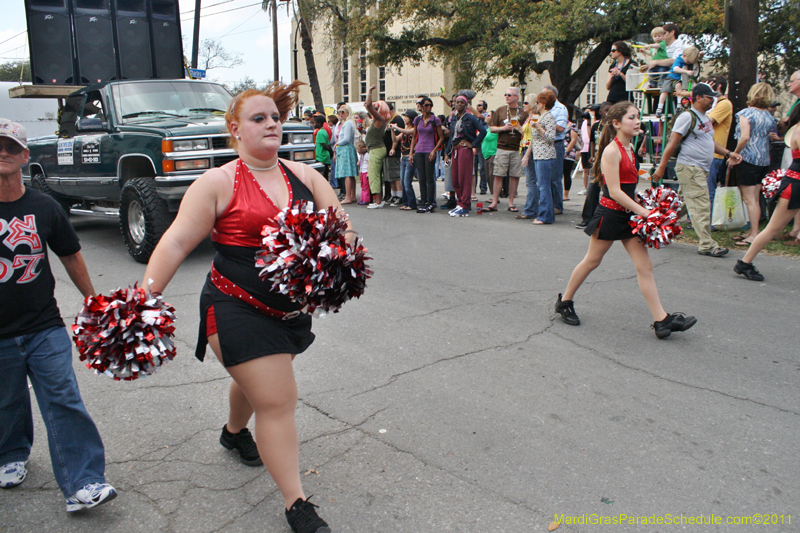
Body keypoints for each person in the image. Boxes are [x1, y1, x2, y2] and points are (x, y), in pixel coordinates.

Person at [141, 83, 342, 533]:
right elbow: (174, 241)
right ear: (235, 129)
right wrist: (144, 298)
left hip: (289, 311)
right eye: (259, 118)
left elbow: (342, 232)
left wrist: (332, 266)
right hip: (234, 305)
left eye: (275, 117)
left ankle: (233, 434)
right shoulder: (216, 182)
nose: (272, 123)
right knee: (276, 398)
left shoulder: (307, 177)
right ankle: (297, 504)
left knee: (258, 384)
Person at [0, 119, 117, 510]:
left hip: (43, 325)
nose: (3, 153)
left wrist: (92, 302)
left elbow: (69, 254)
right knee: (7, 400)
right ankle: (10, 454)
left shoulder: (43, 205)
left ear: (25, 156)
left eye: (11, 147)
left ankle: (83, 482)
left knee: (63, 398)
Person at [554, 103, 697, 339]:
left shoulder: (630, 148)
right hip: (610, 215)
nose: (637, 121)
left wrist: (646, 204)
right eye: (632, 117)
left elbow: (629, 188)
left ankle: (661, 320)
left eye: (638, 116)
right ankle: (565, 301)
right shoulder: (612, 150)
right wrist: (645, 213)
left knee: (645, 266)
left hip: (629, 215)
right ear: (617, 123)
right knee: (591, 261)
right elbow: (615, 192)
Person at [652, 83, 742, 257]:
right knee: (701, 205)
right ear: (698, 97)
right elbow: (672, 142)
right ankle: (707, 244)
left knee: (685, 204)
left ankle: (658, 226)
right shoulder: (687, 117)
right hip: (690, 167)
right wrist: (662, 167)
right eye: (709, 97)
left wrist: (728, 153)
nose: (712, 100)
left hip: (699, 169)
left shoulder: (705, 118)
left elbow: (710, 142)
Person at [735, 105, 800, 280]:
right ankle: (745, 263)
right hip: (795, 185)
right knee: (773, 230)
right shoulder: (799, 130)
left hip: (795, 183)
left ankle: (745, 262)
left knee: (773, 229)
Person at [730, 82, 778, 246]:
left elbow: (744, 137)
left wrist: (735, 154)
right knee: (755, 198)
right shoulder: (768, 116)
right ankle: (753, 231)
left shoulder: (746, 113)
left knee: (749, 199)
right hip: (764, 159)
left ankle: (754, 234)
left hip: (749, 158)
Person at [444, 95, 487, 216]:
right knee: (455, 179)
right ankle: (460, 202)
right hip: (455, 149)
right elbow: (451, 137)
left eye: (462, 102)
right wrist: (446, 153)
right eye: (457, 102)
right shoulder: (453, 118)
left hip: (464, 149)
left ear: (466, 104)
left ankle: (465, 205)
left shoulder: (470, 118)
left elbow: (483, 131)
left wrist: (473, 144)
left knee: (464, 178)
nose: (459, 104)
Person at [486, 87, 527, 212]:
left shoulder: (523, 113)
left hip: (517, 148)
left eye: (509, 95)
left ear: (516, 97)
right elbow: (492, 128)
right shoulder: (500, 110)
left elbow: (527, 131)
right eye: (506, 94)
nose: (507, 97)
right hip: (502, 147)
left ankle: (511, 202)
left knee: (515, 176)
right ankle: (494, 202)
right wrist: (503, 128)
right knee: (498, 174)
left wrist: (519, 128)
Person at [577, 102, 611, 229]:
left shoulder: (613, 126)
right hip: (597, 161)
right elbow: (592, 141)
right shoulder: (597, 125)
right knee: (592, 189)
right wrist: (592, 155)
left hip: (608, 161)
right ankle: (588, 217)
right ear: (601, 112)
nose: (608, 112)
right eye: (606, 110)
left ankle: (606, 217)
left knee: (608, 190)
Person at [526, 91, 558, 224]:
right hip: (539, 154)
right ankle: (546, 214)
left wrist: (539, 128)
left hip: (545, 155)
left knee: (543, 186)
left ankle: (544, 215)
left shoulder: (548, 117)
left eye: (538, 102)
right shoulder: (540, 116)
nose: (536, 104)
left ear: (543, 104)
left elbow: (551, 138)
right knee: (542, 186)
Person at [704, 75, 733, 223]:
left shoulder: (724, 104)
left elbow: (706, 121)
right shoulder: (714, 104)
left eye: (710, 84)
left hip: (715, 153)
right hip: (703, 152)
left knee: (710, 190)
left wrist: (707, 96)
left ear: (719, 86)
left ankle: (713, 220)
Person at [409, 96, 444, 213]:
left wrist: (434, 150)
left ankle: (430, 202)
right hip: (419, 150)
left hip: (429, 150)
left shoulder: (435, 120)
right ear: (422, 107)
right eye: (426, 105)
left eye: (430, 105)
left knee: (429, 177)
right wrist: (411, 153)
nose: (428, 107)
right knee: (421, 178)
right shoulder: (417, 120)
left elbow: (441, 137)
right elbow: (414, 137)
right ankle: (423, 201)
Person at [364, 85, 390, 209]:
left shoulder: (379, 119)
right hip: (376, 149)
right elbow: (367, 105)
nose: (372, 109)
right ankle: (379, 199)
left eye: (376, 108)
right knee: (375, 175)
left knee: (374, 175)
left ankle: (378, 201)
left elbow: (368, 105)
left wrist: (369, 92)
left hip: (376, 149)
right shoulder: (377, 120)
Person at [545, 85, 569, 214]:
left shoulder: (561, 108)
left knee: (555, 177)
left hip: (555, 143)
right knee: (544, 177)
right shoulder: (542, 108)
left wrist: (544, 123)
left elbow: (561, 128)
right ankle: (546, 203)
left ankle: (557, 206)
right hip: (543, 143)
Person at [655, 46, 699, 117]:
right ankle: (659, 107)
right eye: (688, 61)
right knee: (665, 91)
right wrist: (686, 72)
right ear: (684, 56)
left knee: (679, 87)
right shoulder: (678, 60)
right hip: (671, 77)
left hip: (678, 80)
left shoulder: (687, 58)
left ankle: (679, 105)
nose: (688, 63)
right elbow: (675, 69)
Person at [518, 97, 539, 220]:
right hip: (525, 147)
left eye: (526, 103)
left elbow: (533, 138)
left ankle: (530, 210)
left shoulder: (534, 117)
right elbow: (526, 134)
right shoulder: (529, 117)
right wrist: (518, 128)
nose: (523, 105)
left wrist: (526, 155)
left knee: (531, 181)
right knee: (531, 181)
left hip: (529, 150)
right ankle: (532, 208)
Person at [393, 109, 418, 210]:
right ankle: (406, 203)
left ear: (411, 119)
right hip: (403, 157)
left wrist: (396, 127)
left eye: (406, 117)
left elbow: (407, 132)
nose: (404, 118)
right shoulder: (404, 129)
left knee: (407, 182)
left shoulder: (413, 129)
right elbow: (395, 139)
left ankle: (412, 204)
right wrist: (392, 130)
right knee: (403, 182)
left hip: (410, 157)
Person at [335, 105, 358, 204]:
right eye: (339, 112)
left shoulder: (348, 123)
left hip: (345, 149)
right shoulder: (348, 123)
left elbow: (347, 138)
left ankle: (348, 196)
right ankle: (352, 196)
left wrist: (337, 144)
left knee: (347, 173)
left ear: (348, 113)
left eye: (343, 112)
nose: (340, 114)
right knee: (350, 173)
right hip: (348, 148)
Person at [383, 102, 405, 205]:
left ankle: (399, 195)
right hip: (386, 151)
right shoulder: (388, 120)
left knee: (395, 175)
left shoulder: (397, 120)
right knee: (389, 175)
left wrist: (393, 148)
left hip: (394, 152)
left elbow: (396, 137)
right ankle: (394, 194)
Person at [562, 119, 579, 202]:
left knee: (566, 173)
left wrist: (566, 151)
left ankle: (566, 194)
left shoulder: (572, 126)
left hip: (569, 153)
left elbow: (573, 140)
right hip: (557, 152)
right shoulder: (557, 124)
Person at [313, 115, 332, 181]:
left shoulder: (320, 132)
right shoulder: (324, 131)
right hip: (325, 156)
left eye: (315, 122)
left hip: (321, 156)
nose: (314, 124)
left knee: (322, 176)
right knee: (326, 174)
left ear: (319, 123)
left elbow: (324, 145)